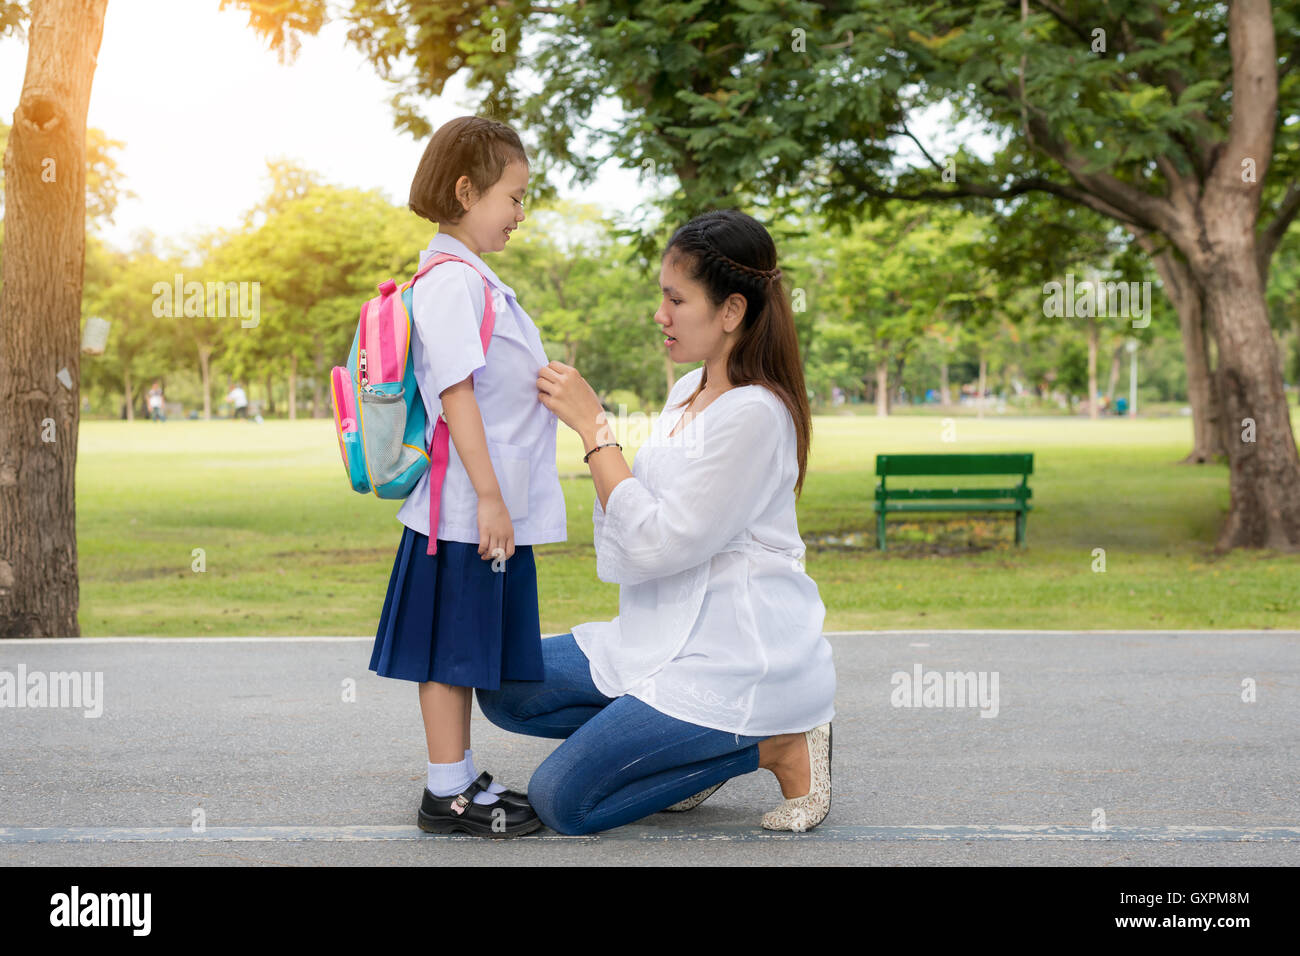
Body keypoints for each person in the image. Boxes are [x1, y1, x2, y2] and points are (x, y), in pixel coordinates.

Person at [478, 208, 836, 835]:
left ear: (731, 312)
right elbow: (643, 505)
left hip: (729, 656)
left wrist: (595, 429)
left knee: (563, 800)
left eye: (676, 298)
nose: (659, 314)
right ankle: (686, 745)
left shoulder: (755, 415)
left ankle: (774, 744)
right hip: (656, 635)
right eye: (660, 296)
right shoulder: (688, 390)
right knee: (504, 684)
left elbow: (661, 540)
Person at [368, 116, 566, 838]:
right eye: (513, 196)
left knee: (458, 646)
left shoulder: (466, 278)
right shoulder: (453, 282)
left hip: (472, 504)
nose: (520, 212)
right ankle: (447, 794)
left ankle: (456, 778)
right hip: (463, 506)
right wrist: (489, 498)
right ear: (465, 191)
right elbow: (456, 393)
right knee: (451, 652)